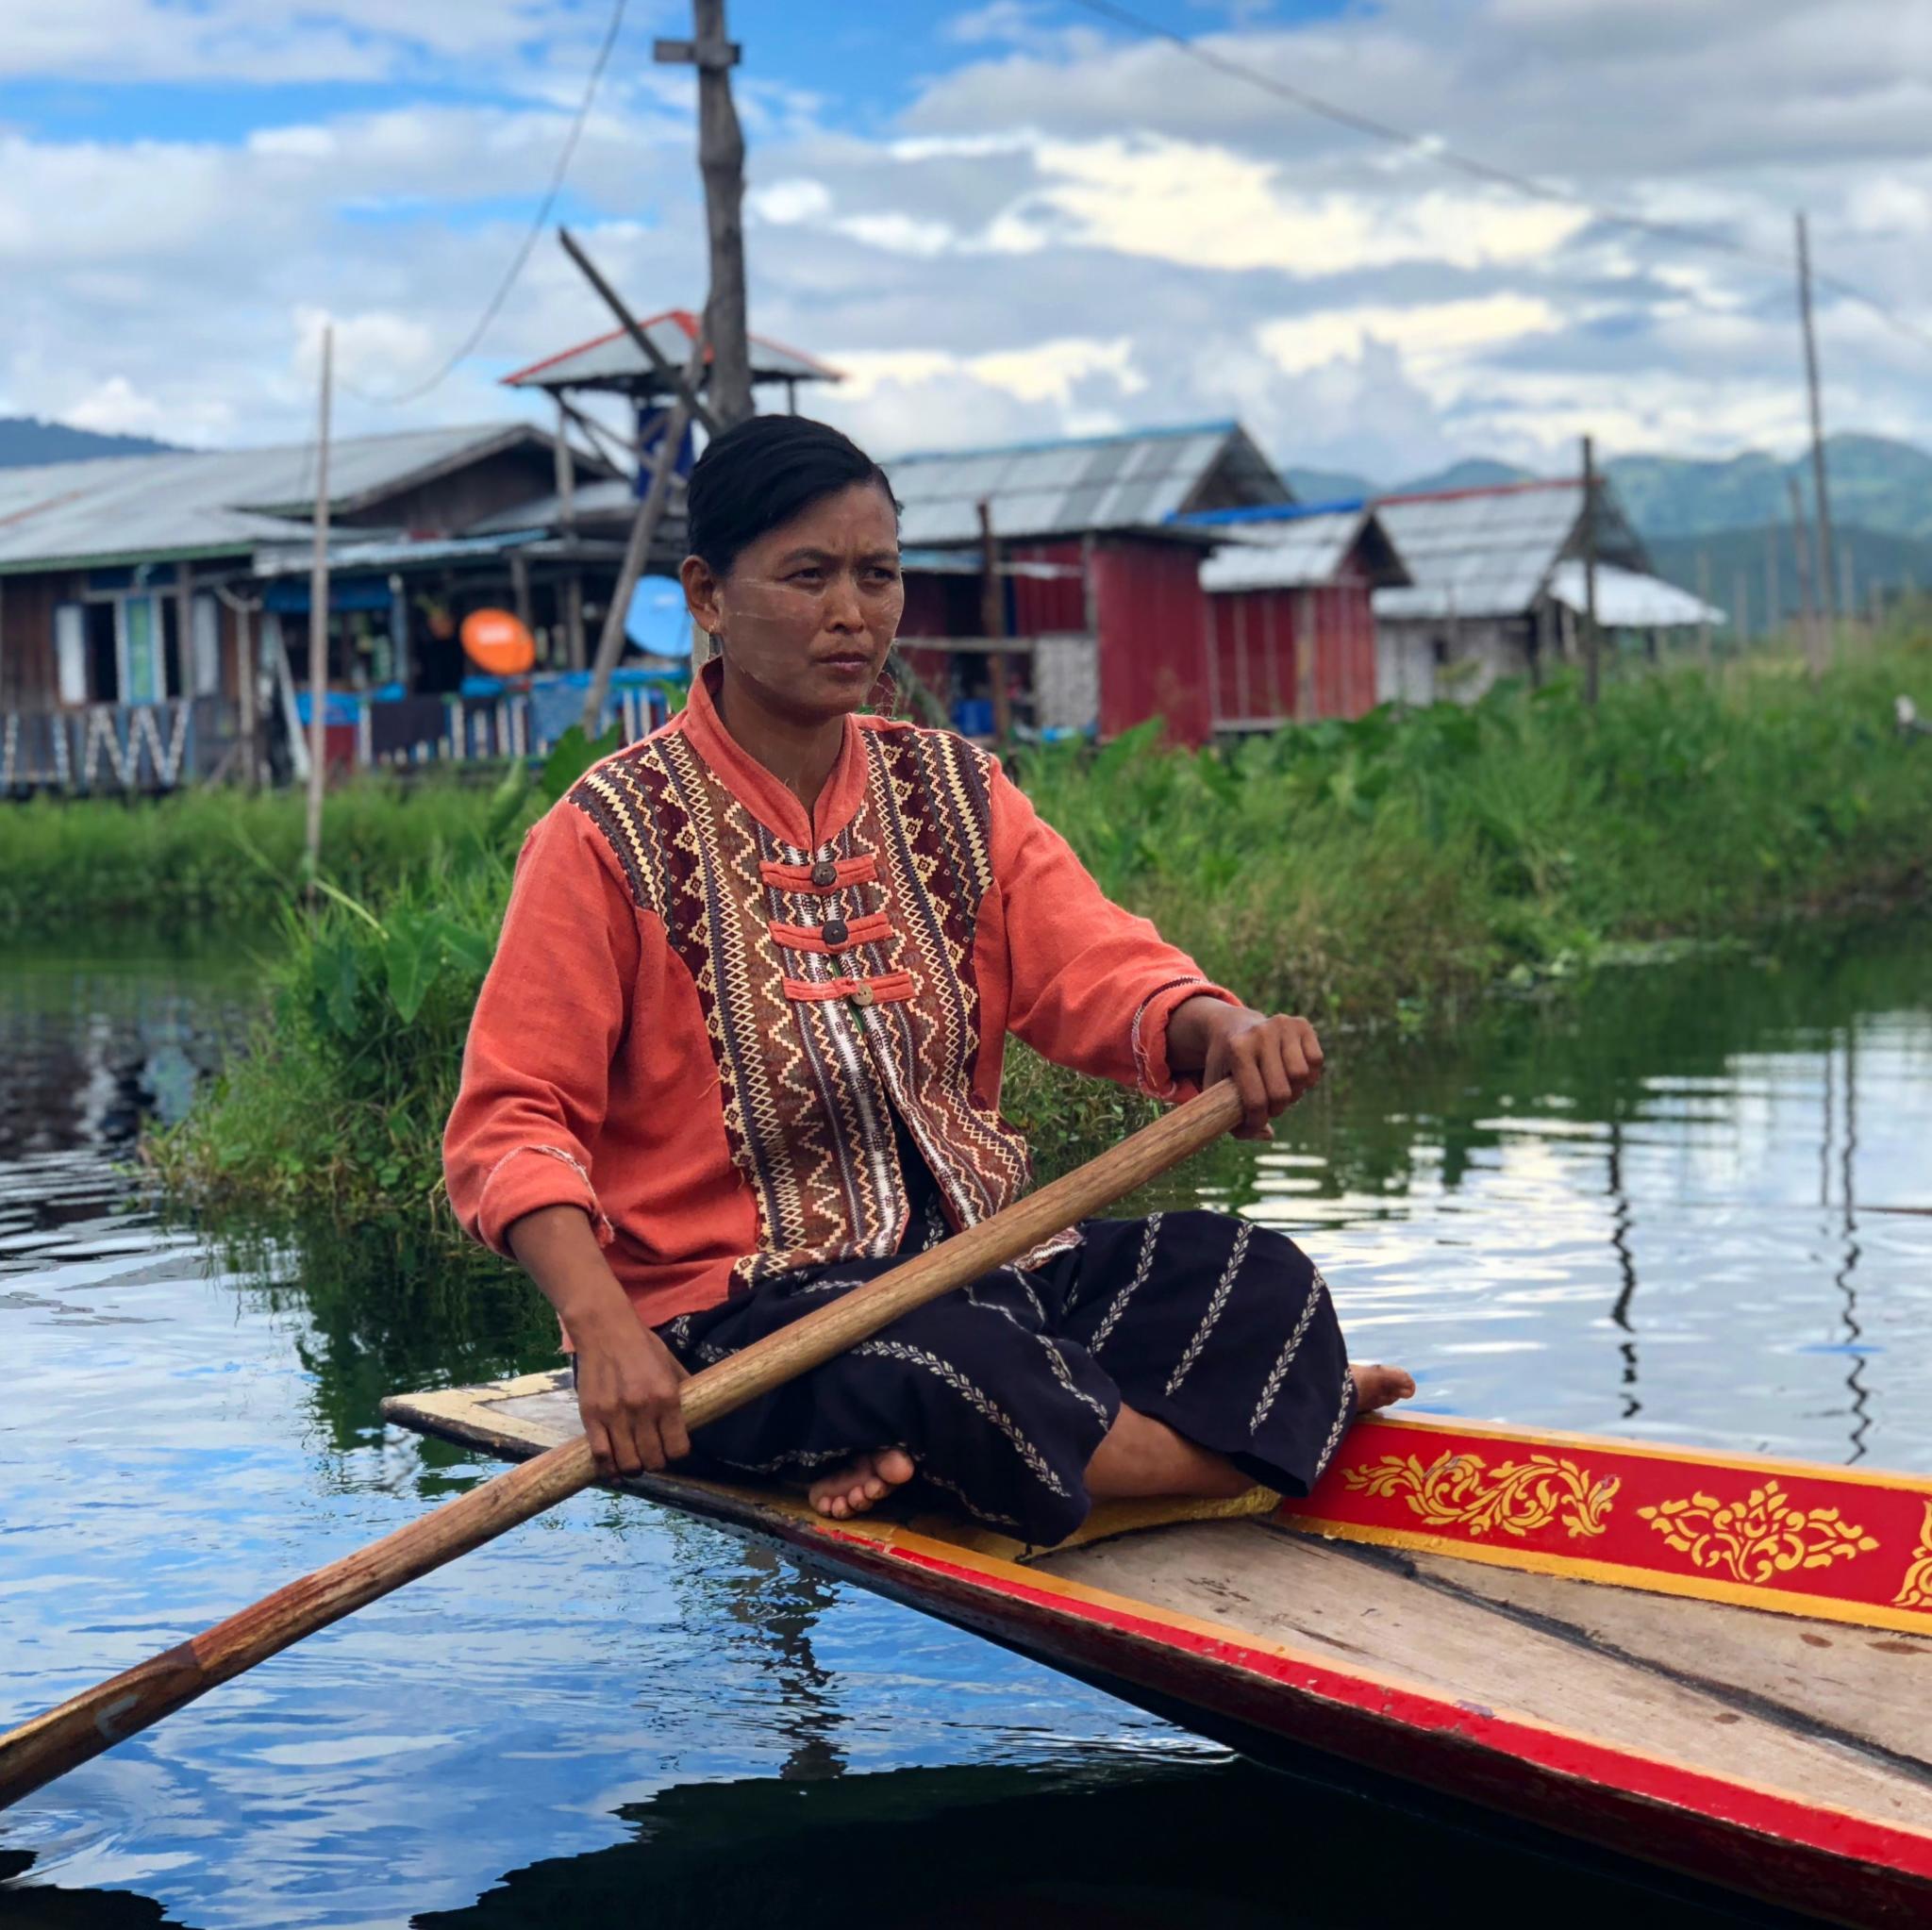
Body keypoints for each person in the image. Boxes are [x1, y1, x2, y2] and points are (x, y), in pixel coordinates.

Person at [443, 415, 1412, 1545]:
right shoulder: (603, 834)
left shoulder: (953, 789)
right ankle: (1255, 1439)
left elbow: (1094, 962)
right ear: (706, 594)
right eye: (807, 577)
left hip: (983, 1266)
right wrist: (602, 1326)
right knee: (944, 1366)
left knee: (1254, 1277)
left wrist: (1219, 1025)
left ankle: (966, 1465)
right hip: (742, 1324)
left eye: (877, 575)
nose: (851, 613)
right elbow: (512, 1122)